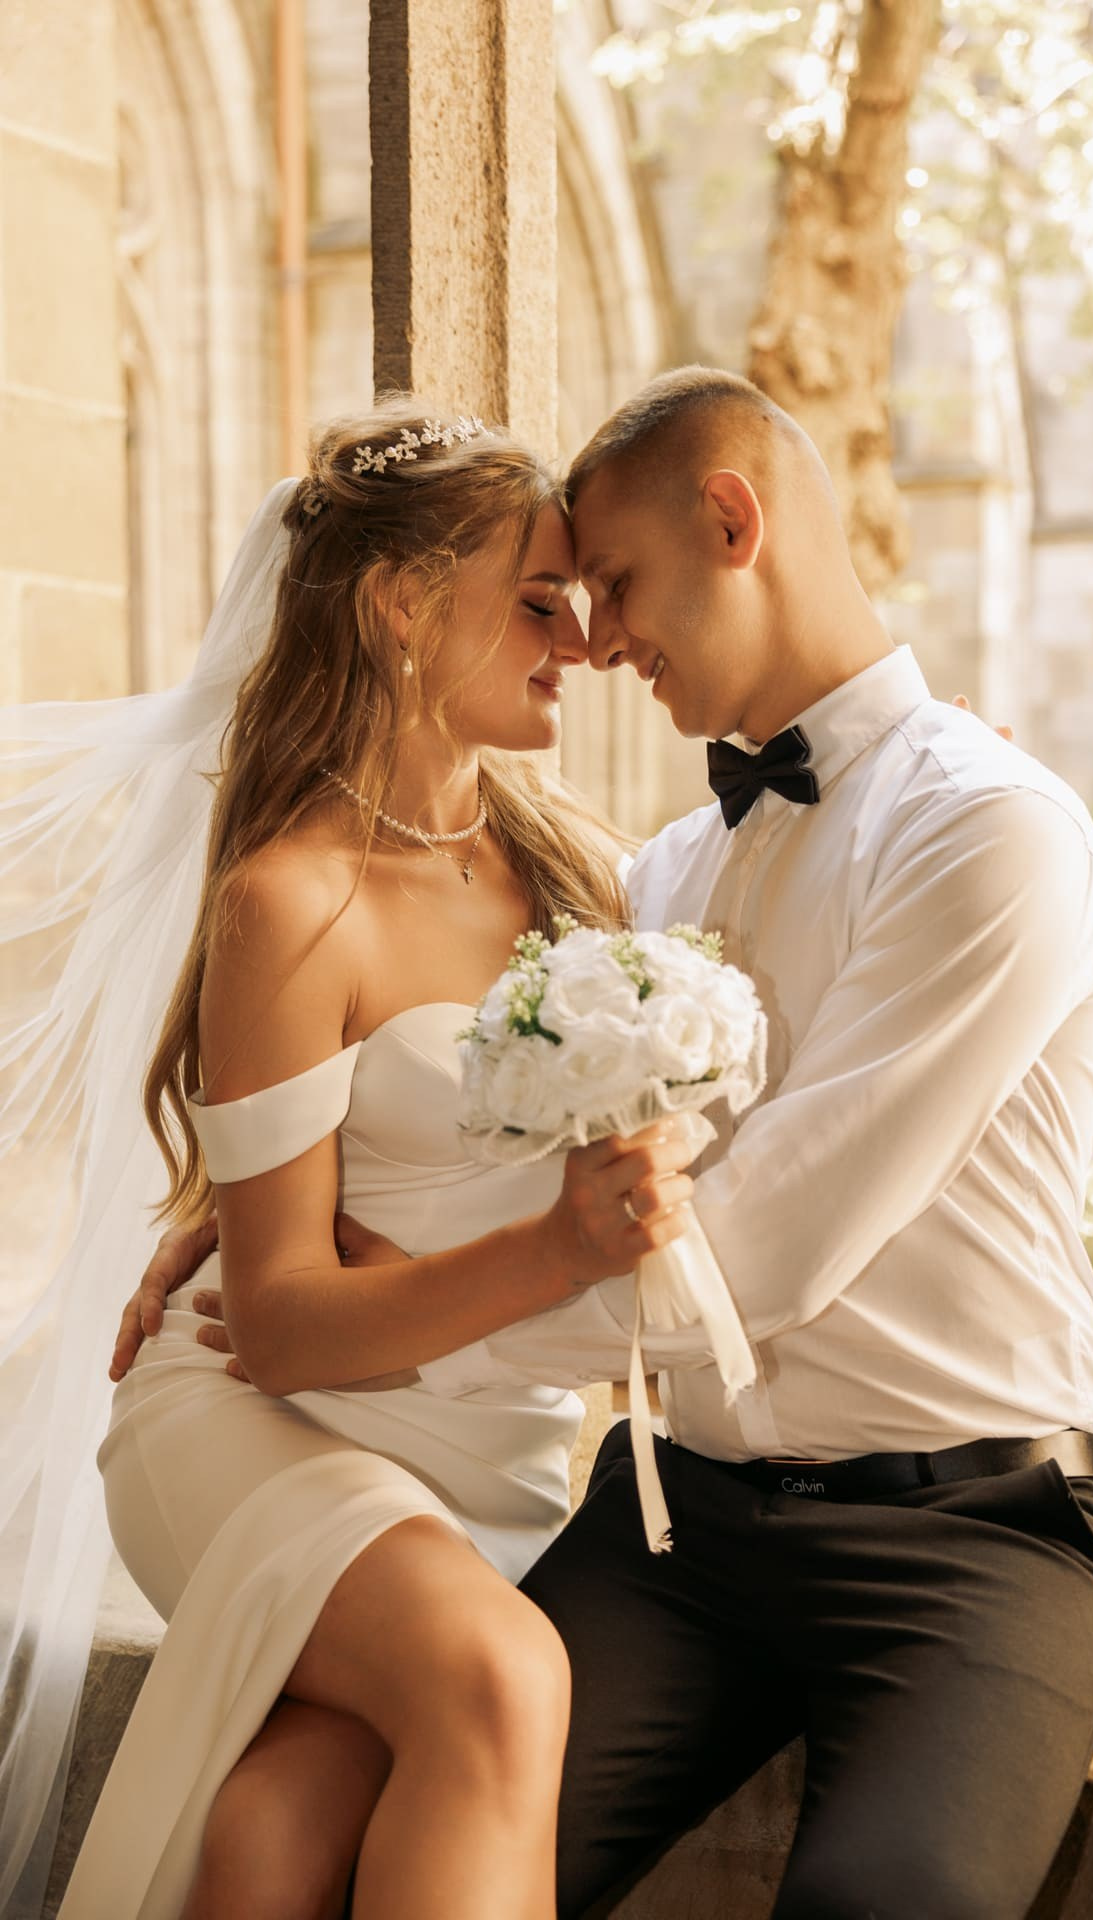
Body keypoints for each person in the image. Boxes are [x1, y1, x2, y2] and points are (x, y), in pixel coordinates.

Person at [123, 367, 1093, 1920]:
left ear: (733, 521)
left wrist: (375, 1328)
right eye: (557, 600)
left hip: (975, 1530)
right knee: (341, 1833)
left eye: (608, 583)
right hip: (687, 1522)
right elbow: (463, 1111)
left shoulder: (988, 828)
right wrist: (263, 1230)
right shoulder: (646, 881)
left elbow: (770, 1252)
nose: (595, 640)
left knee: (883, 1905)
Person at [1, 400, 705, 1920]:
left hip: (482, 1442)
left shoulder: (589, 876)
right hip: (259, 1420)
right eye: (539, 599)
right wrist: (553, 1253)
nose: (584, 641)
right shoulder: (292, 898)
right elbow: (272, 1328)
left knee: (279, 1826)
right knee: (503, 1677)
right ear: (399, 605)